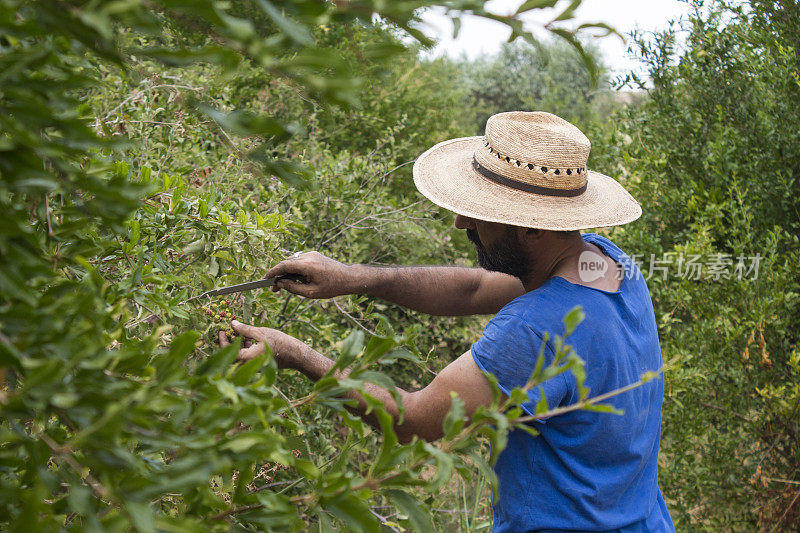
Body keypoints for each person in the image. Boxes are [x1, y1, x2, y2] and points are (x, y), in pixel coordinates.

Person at [220, 111, 675, 532]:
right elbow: (474, 289)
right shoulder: (607, 262)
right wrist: (354, 277)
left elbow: (411, 420)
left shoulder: (532, 329)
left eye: (482, 214)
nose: (461, 222)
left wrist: (294, 353)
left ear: (534, 228)